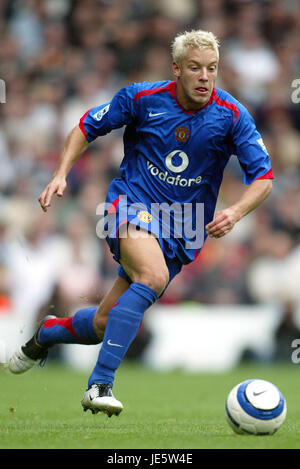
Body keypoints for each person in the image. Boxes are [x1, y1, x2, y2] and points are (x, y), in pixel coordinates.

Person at [9, 30, 273, 417]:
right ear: (177, 69)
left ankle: (48, 332)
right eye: (195, 68)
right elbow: (86, 126)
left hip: (183, 229)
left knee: (103, 324)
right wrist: (61, 173)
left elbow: (264, 178)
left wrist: (235, 211)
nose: (204, 77)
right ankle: (100, 385)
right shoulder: (142, 98)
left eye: (212, 69)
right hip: (129, 207)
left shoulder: (232, 115)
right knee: (150, 277)